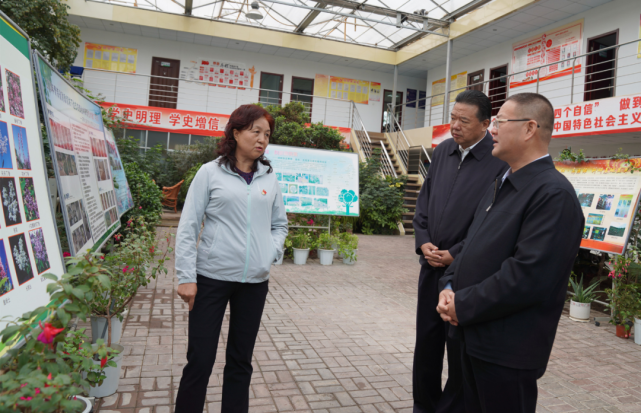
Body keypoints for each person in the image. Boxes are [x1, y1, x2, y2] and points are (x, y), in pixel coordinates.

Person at [437, 93, 584, 413]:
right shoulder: (502, 183)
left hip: (506, 351)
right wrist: (448, 286)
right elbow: (470, 245)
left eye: (501, 122)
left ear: (530, 128)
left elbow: (528, 276)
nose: (493, 130)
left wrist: (463, 303)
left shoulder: (553, 194)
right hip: (471, 338)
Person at [174, 104, 288, 413]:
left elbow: (279, 224)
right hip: (211, 279)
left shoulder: (268, 177)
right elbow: (188, 226)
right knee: (200, 359)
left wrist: (270, 251)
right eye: (255, 132)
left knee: (241, 361)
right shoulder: (210, 173)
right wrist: (186, 276)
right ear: (236, 133)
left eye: (267, 134)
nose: (262, 139)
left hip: (254, 283)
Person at [412, 90, 508, 413]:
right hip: (430, 266)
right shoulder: (442, 153)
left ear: (485, 124)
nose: (455, 125)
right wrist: (423, 240)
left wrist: (457, 254)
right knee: (426, 343)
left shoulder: (497, 162)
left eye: (463, 121)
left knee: (458, 349)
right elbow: (423, 202)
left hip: (464, 274)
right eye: (453, 118)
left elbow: (493, 222)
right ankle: (423, 405)